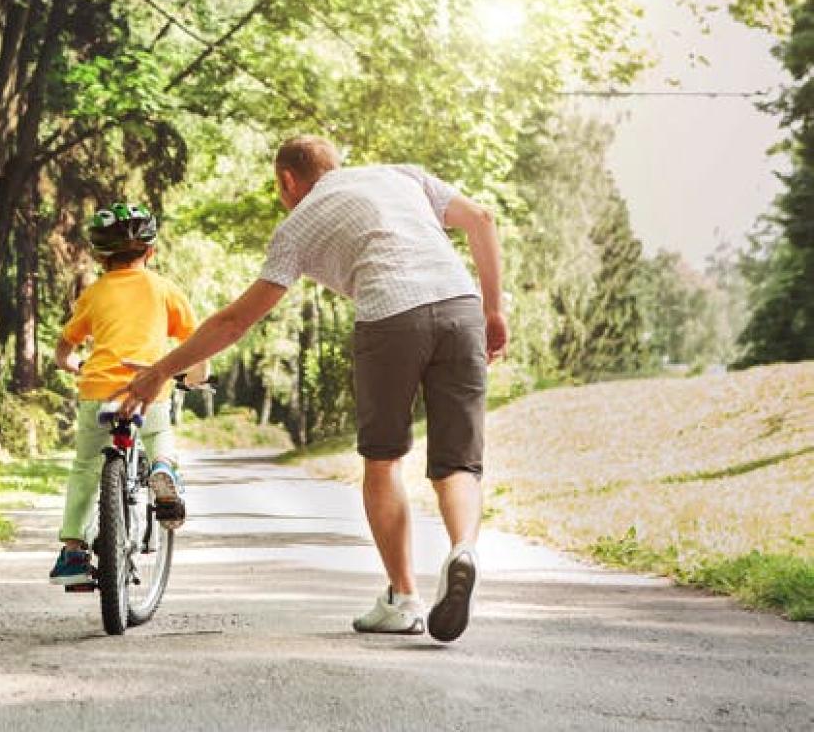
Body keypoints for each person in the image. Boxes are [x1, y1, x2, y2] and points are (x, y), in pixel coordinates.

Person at [115, 136, 507, 642]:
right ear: (336, 165)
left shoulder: (297, 224)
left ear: (287, 181)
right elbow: (482, 219)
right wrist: (494, 310)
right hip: (459, 305)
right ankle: (463, 549)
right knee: (458, 462)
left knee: (384, 459)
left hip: (389, 317)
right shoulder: (401, 175)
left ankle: (404, 597)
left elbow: (235, 321)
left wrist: (160, 370)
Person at [48, 202, 208, 586]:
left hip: (99, 390)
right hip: (149, 385)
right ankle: (163, 469)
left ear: (100, 257)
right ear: (150, 252)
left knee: (87, 466)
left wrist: (75, 366)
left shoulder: (93, 294)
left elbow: (64, 349)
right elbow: (196, 343)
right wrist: (194, 378)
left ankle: (73, 551)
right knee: (157, 434)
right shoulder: (165, 289)